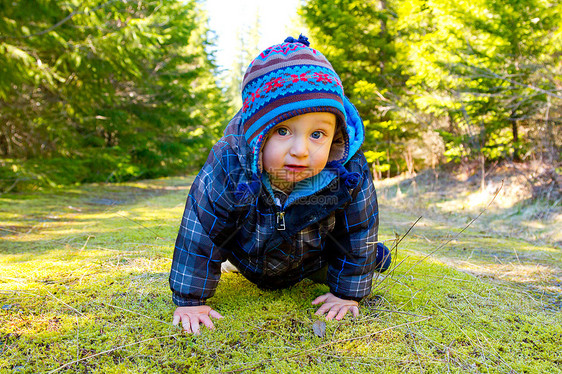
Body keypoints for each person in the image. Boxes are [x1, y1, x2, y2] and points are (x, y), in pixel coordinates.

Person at [169, 35, 391, 334]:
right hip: (248, 254)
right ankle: (236, 265)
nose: (301, 150)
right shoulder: (231, 164)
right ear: (259, 131)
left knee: (355, 256)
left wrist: (347, 293)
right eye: (283, 131)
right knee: (217, 243)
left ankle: (374, 259)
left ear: (335, 134)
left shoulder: (347, 172)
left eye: (317, 135)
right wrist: (190, 299)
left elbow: (358, 229)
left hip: (312, 258)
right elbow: (202, 228)